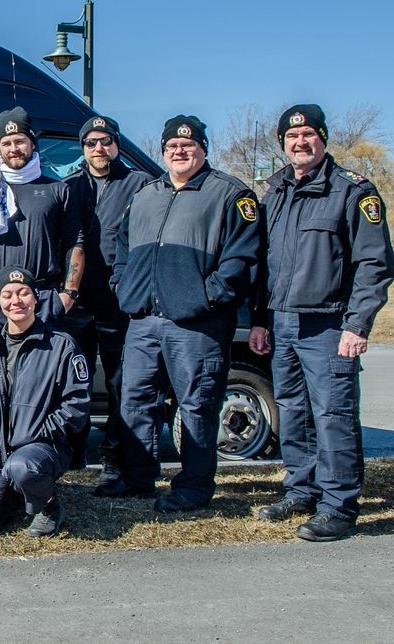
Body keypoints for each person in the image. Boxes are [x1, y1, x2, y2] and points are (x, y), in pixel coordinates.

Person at [248, 104, 394, 541]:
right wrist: (260, 320)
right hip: (283, 322)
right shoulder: (275, 194)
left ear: (323, 139)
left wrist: (358, 324)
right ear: (282, 144)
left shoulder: (353, 192)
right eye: (291, 138)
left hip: (330, 325)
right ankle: (301, 488)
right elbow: (263, 266)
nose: (300, 142)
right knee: (293, 411)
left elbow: (375, 265)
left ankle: (338, 505)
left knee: (333, 414)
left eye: (308, 134)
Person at [110, 115, 260, 511]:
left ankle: (193, 487)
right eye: (172, 146)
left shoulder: (229, 194)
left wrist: (205, 298)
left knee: (197, 405)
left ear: (203, 148)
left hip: (197, 325)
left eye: (188, 144)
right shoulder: (145, 194)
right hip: (144, 321)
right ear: (162, 151)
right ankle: (138, 477)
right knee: (136, 401)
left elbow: (242, 261)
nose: (179, 151)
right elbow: (122, 249)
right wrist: (122, 285)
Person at [0, 266, 90, 537]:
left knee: (22, 468)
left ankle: (49, 506)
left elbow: (76, 404)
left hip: (39, 448)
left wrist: (38, 432)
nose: (16, 301)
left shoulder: (61, 345)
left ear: (35, 298)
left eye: (23, 293)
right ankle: (16, 496)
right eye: (7, 295)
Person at [63, 116, 148, 486]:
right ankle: (74, 448)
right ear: (82, 148)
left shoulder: (141, 185)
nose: (99, 148)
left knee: (119, 382)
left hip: (119, 300)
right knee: (74, 379)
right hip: (77, 301)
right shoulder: (68, 187)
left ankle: (114, 454)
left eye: (106, 141)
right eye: (91, 142)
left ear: (116, 144)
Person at [0, 107, 84, 329]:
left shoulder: (57, 190)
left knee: (44, 364)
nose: (14, 149)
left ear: (32, 143)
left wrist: (68, 295)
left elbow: (74, 244)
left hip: (43, 299)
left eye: (20, 141)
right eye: (6, 143)